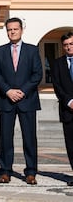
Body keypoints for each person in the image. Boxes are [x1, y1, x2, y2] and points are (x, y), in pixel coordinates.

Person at [0, 17, 42, 185]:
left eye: (15, 29)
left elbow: (37, 74)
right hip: (6, 100)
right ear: (6, 31)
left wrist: (22, 91)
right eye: (9, 29)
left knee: (29, 137)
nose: (12, 32)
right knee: (5, 138)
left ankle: (30, 172)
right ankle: (5, 171)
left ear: (21, 30)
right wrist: (8, 91)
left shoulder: (32, 50)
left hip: (27, 100)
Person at [50, 31, 73, 186]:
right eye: (65, 45)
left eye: (71, 44)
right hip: (68, 110)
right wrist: (69, 101)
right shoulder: (57, 63)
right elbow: (57, 86)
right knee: (71, 146)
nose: (68, 47)